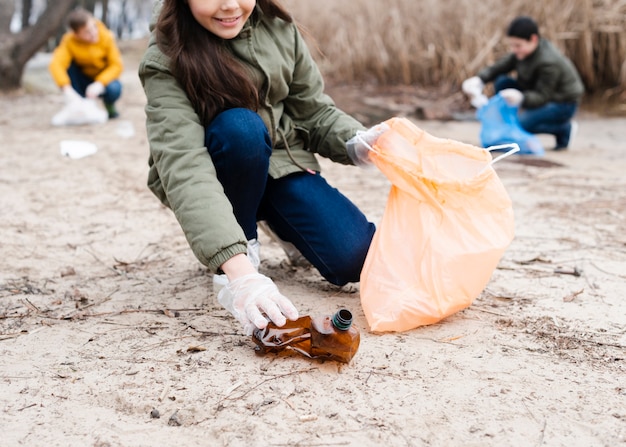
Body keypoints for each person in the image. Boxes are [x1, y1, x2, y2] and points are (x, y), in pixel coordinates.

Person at [138, 0, 383, 335]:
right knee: (240, 129)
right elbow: (184, 164)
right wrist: (240, 274)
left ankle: (281, 225)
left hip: (281, 162)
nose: (229, 5)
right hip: (223, 170)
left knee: (354, 257)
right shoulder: (166, 58)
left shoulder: (279, 28)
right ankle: (243, 242)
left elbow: (312, 112)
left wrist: (358, 141)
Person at [463, 16, 584, 150]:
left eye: (518, 45)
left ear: (533, 39)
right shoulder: (523, 52)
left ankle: (564, 129)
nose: (514, 49)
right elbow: (500, 67)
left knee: (523, 124)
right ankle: (508, 122)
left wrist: (521, 98)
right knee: (502, 82)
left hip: (563, 103)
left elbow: (543, 96)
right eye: (512, 45)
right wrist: (479, 79)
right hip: (536, 91)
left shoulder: (549, 62)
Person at [49, 8, 124, 119]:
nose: (94, 33)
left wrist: (99, 83)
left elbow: (116, 65)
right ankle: (79, 104)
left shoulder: (106, 36)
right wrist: (66, 88)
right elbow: (56, 64)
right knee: (69, 66)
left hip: (103, 80)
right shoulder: (69, 41)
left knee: (114, 89)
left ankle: (109, 105)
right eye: (87, 32)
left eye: (94, 27)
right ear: (76, 34)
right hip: (83, 79)